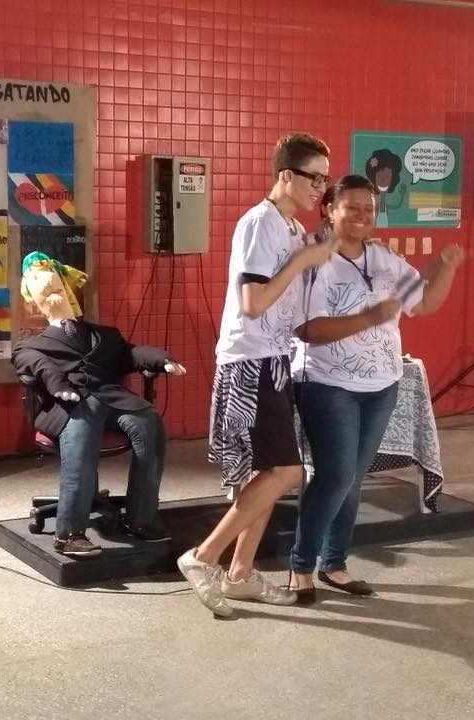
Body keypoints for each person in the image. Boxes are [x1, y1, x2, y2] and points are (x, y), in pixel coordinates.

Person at [177, 133, 338, 617]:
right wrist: (303, 259)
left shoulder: (291, 227)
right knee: (287, 472)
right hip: (250, 360)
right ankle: (203, 557)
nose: (320, 188)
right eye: (314, 178)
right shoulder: (259, 223)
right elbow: (253, 302)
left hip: (275, 359)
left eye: (325, 180)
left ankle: (241, 573)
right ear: (286, 174)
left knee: (268, 473)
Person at [289, 174, 465, 602]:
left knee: (351, 478)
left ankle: (335, 563)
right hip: (328, 384)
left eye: (369, 208)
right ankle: (301, 567)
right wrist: (369, 318)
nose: (363, 215)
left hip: (382, 385)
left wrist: (446, 266)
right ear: (329, 210)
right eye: (352, 207)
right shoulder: (311, 258)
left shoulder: (384, 259)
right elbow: (308, 330)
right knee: (334, 477)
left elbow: (425, 303)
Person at [12, 251, 186, 557]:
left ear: (69, 290)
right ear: (34, 302)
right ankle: (69, 533)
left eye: (57, 288)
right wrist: (58, 384)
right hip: (70, 406)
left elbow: (130, 354)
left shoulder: (104, 335)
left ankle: (141, 518)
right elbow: (38, 366)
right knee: (83, 430)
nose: (53, 295)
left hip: (113, 398)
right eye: (45, 292)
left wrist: (161, 359)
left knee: (150, 423)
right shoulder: (31, 346)